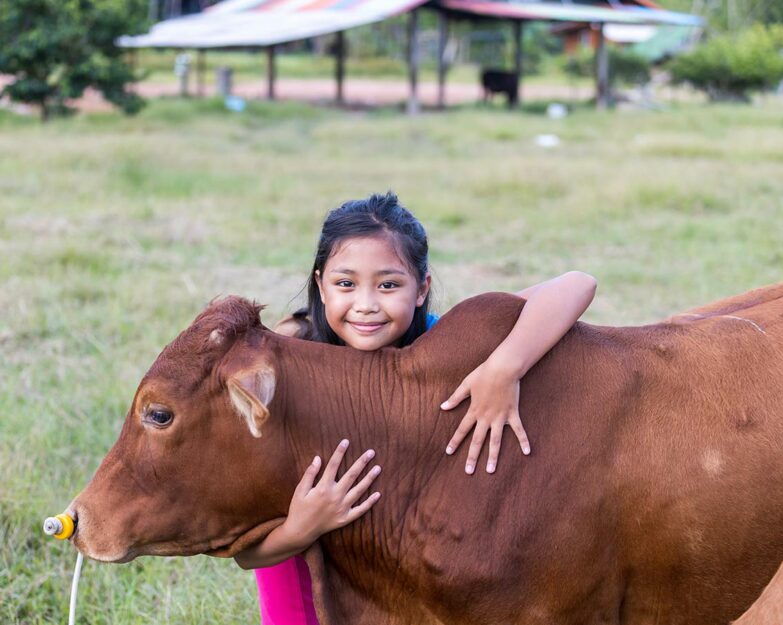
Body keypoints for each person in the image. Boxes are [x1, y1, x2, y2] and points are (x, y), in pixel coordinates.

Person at [234, 192, 597, 625]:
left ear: (422, 287)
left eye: (388, 285)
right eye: (345, 284)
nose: (366, 304)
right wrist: (302, 526)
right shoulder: (296, 350)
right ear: (320, 285)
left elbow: (578, 283)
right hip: (303, 561)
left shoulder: (438, 346)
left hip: (398, 566)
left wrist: (503, 369)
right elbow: (247, 552)